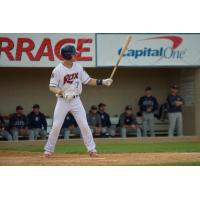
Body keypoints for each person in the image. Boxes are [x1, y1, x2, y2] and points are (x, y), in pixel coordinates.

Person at [44, 45, 113, 157]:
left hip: (76, 100)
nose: (76, 55)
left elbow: (88, 80)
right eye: (74, 53)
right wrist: (63, 93)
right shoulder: (58, 70)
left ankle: (92, 150)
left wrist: (103, 82)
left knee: (84, 125)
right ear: (68, 55)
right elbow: (52, 87)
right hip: (63, 100)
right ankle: (48, 150)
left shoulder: (78, 67)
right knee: (56, 125)